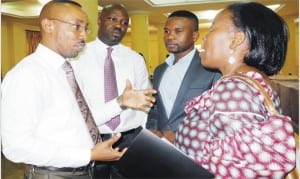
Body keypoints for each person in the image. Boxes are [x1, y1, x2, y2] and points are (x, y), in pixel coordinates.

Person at [1, 1, 127, 179]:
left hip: (82, 171)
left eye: (85, 28)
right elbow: (16, 147)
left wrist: (122, 102)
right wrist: (87, 155)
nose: (83, 36)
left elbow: (83, 119)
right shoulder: (27, 75)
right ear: (48, 25)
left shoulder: (65, 70)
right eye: (76, 27)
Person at [174, 2, 296, 178]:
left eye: (212, 30)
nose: (204, 39)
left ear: (236, 40)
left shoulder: (233, 89)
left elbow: (240, 171)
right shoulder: (249, 82)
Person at [71, 3, 156, 178]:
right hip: (93, 138)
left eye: (125, 23)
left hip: (130, 139)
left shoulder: (135, 59)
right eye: (113, 19)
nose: (119, 26)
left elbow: (146, 99)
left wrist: (143, 135)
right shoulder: (78, 56)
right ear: (100, 20)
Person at [146, 10, 221, 143]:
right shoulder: (159, 71)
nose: (170, 37)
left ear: (194, 36)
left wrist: (179, 133)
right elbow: (155, 109)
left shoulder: (211, 68)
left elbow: (217, 113)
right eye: (167, 31)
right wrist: (152, 129)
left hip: (196, 147)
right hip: (161, 146)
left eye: (178, 31)